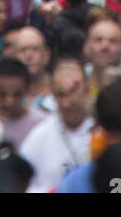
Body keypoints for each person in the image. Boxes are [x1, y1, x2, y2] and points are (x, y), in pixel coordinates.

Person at [20, 59, 95, 192]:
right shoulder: (39, 135)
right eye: (60, 94)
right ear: (53, 95)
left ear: (86, 90)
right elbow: (21, 183)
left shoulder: (101, 130)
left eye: (73, 92)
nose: (67, 103)